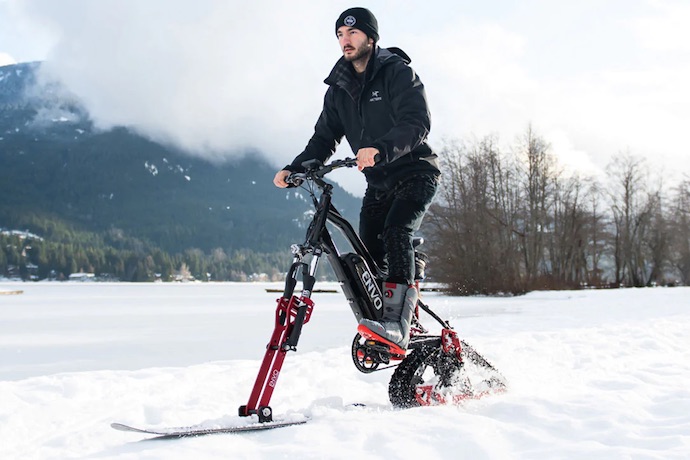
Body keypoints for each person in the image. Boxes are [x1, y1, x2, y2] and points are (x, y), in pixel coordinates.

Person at [273, 7, 440, 350]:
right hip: (379, 183)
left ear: (370, 37)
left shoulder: (397, 73)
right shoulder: (338, 89)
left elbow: (416, 122)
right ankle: (401, 295)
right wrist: (295, 168)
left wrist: (380, 148)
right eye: (339, 35)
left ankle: (396, 324)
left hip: (415, 172)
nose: (345, 41)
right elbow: (323, 138)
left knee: (396, 231)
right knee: (369, 253)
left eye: (352, 33)